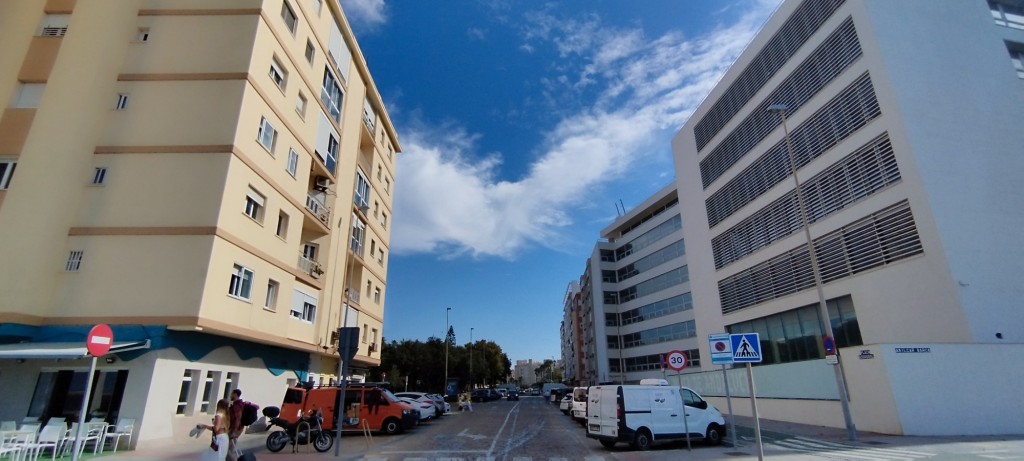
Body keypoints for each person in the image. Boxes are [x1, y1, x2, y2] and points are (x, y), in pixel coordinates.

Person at [227, 389, 244, 461]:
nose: (230, 395)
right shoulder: (236, 404)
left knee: (225, 448)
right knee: (229, 449)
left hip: (235, 429)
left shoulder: (237, 405)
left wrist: (234, 431)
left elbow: (238, 418)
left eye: (231, 393)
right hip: (234, 428)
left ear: (235, 394)